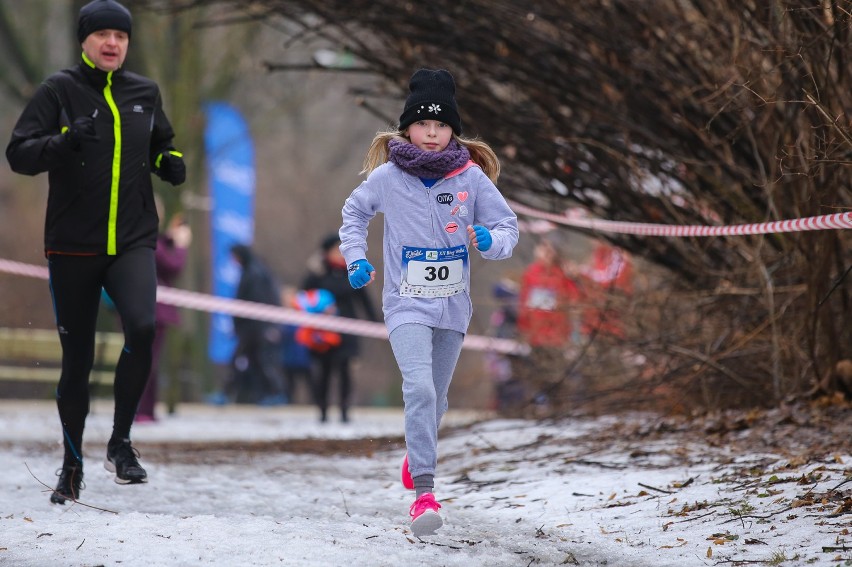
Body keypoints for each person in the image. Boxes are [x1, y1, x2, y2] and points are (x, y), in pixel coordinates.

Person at [5, 0, 186, 504]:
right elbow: (19, 153)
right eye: (102, 34)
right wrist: (64, 141)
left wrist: (169, 162)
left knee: (143, 326)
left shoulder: (144, 92)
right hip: (72, 247)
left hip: (132, 240)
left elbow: (161, 144)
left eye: (121, 36)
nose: (112, 43)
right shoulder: (58, 90)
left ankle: (121, 443)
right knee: (77, 360)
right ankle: (71, 467)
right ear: (84, 40)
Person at [339, 68, 519, 536]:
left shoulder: (471, 177)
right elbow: (354, 213)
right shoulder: (388, 177)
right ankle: (424, 495)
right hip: (406, 305)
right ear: (408, 128)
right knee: (418, 390)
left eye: (441, 126)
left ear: (452, 129)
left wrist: (488, 240)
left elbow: (508, 229)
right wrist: (355, 258)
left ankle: (415, 452)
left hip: (453, 308)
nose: (433, 133)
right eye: (424, 124)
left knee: (435, 402)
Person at [302, 234, 379, 423]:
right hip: (321, 334)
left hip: (347, 331)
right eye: (335, 250)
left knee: (344, 370)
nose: (339, 254)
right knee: (324, 372)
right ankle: (322, 411)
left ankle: (345, 411)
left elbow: (364, 301)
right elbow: (303, 299)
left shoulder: (352, 273)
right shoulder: (316, 275)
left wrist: (377, 322)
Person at [135, 210, 191, 423]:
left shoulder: (140, 237)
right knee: (146, 361)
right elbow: (172, 265)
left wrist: (171, 235)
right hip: (152, 309)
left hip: (147, 308)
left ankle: (146, 410)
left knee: (149, 360)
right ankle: (140, 410)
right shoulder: (145, 239)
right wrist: (181, 246)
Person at [516, 238, 582, 410]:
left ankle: (560, 407)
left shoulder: (562, 274)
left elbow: (574, 298)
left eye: (549, 249)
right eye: (542, 248)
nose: (545, 252)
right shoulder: (530, 273)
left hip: (558, 334)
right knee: (537, 374)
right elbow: (524, 303)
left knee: (558, 373)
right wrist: (524, 328)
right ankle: (539, 407)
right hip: (536, 335)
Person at [229, 244, 286, 405]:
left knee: (257, 360)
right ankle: (270, 394)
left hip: (255, 327)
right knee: (257, 361)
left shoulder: (254, 273)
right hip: (254, 326)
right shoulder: (254, 271)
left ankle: (276, 393)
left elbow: (254, 302)